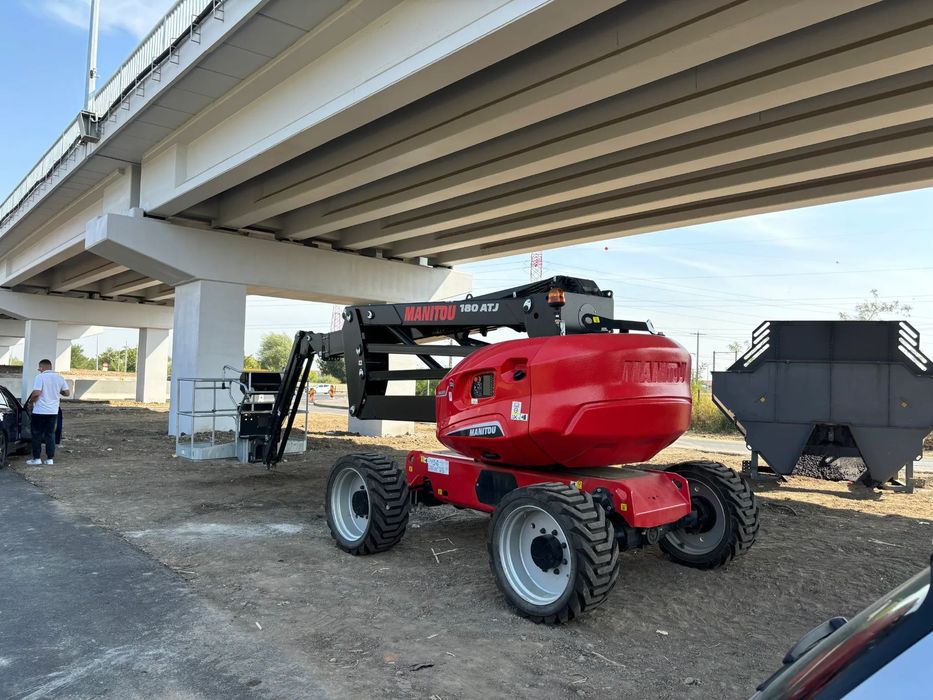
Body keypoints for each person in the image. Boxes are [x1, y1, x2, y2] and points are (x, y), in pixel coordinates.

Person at [26, 359, 70, 465]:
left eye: (39, 367)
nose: (38, 369)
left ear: (42, 367)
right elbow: (67, 393)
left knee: (36, 434)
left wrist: (31, 403)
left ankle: (36, 459)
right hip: (53, 411)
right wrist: (56, 390)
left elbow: (36, 393)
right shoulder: (59, 378)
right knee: (50, 435)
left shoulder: (40, 377)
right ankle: (50, 459)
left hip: (40, 411)